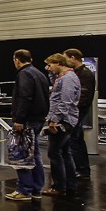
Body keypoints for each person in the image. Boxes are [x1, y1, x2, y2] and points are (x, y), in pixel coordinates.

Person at [5, 50, 50, 201]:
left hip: (27, 120)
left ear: (17, 60)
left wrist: (19, 119)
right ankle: (36, 189)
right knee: (34, 154)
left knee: (22, 155)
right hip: (38, 119)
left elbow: (25, 97)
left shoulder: (24, 74)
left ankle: (24, 190)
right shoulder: (39, 74)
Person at [42, 53, 80, 196]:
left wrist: (55, 120)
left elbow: (65, 101)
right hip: (64, 119)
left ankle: (58, 186)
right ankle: (69, 185)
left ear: (58, 63)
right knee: (65, 153)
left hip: (63, 120)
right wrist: (50, 73)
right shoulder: (63, 77)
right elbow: (56, 88)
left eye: (50, 65)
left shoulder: (68, 78)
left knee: (54, 153)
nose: (49, 68)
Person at [64, 49, 96, 179]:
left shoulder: (85, 74)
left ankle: (82, 169)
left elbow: (83, 96)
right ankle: (80, 168)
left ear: (73, 58)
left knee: (75, 140)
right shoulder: (75, 73)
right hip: (75, 111)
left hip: (77, 112)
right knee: (75, 140)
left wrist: (73, 110)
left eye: (66, 58)